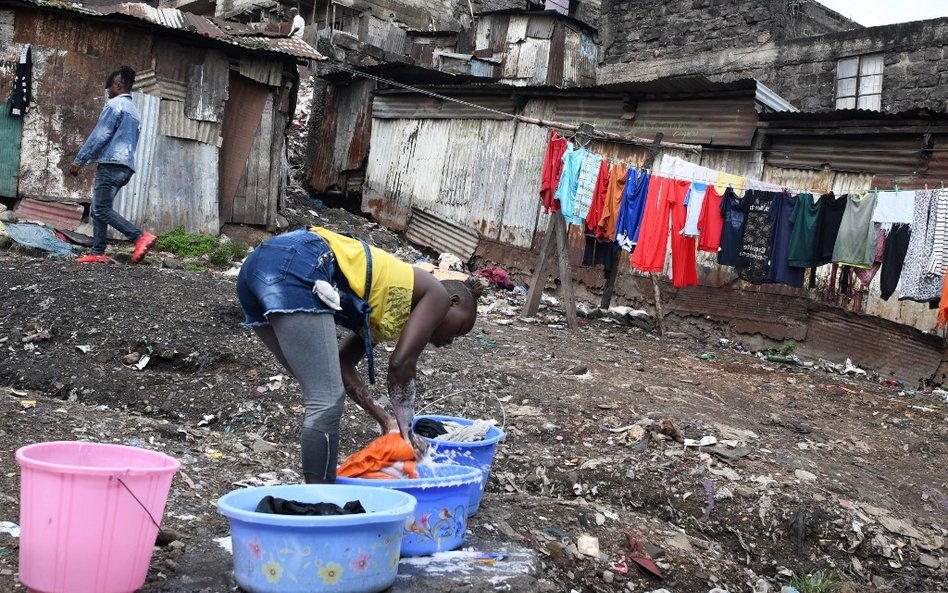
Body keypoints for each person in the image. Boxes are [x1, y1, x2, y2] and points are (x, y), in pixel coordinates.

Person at [236, 227, 480, 483]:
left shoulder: (388, 310)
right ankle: (320, 504)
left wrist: (386, 421)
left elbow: (341, 364)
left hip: (256, 270)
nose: (451, 341)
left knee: (321, 390)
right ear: (453, 302)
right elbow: (400, 364)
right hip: (299, 259)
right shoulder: (438, 294)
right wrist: (408, 434)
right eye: (460, 329)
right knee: (325, 397)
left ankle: (318, 498)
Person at [69, 66, 156, 264]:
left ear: (118, 85)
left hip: (111, 164)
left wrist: (79, 160)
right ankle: (98, 252)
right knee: (99, 208)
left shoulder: (115, 105)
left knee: (100, 209)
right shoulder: (134, 111)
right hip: (125, 167)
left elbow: (100, 135)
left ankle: (139, 237)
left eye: (109, 88)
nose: (108, 92)